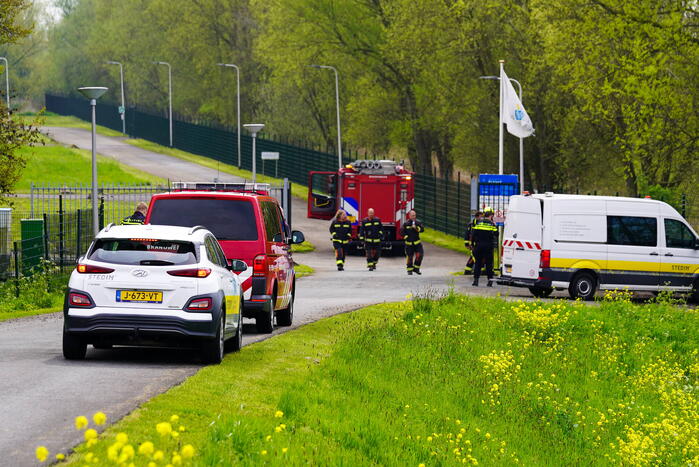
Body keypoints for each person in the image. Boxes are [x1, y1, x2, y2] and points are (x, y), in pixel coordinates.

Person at [471, 207, 498, 287]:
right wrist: (495, 228)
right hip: (488, 247)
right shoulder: (492, 224)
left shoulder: (478, 223)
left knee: (478, 263)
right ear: (490, 216)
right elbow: (497, 234)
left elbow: (473, 234)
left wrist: (472, 245)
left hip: (478, 246)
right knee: (489, 264)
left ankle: (476, 281)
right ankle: (490, 281)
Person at [400, 210, 425, 275]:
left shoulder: (418, 222)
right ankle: (409, 270)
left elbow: (422, 229)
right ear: (409, 216)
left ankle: (416, 269)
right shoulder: (406, 223)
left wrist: (416, 228)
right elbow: (401, 232)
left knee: (420, 255)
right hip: (409, 244)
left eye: (415, 215)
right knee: (409, 257)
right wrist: (406, 237)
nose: (414, 217)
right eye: (412, 215)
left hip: (417, 243)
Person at [463, 211, 483, 275]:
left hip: (478, 243)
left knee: (473, 256)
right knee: (475, 257)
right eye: (481, 216)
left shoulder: (481, 223)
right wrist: (467, 244)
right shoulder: (471, 224)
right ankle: (477, 270)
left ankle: (468, 270)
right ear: (477, 217)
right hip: (472, 244)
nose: (482, 218)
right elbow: (467, 234)